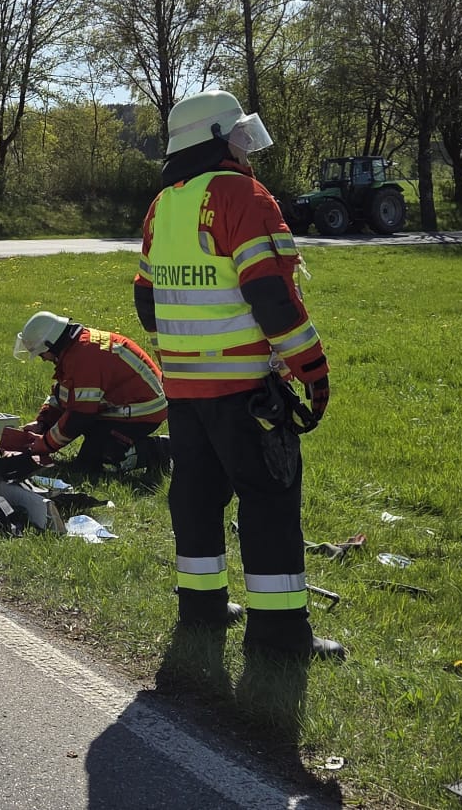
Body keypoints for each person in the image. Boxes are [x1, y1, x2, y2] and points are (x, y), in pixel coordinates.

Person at [135, 88, 342, 662]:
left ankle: (201, 609)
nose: (247, 148)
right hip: (247, 389)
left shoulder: (163, 205)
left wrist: (186, 351)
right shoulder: (243, 195)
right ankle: (280, 636)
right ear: (216, 139)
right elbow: (271, 295)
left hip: (183, 391)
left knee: (196, 498)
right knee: (269, 503)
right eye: (239, 136)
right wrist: (313, 370)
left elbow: (146, 300)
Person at [0, 311, 171, 472]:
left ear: (51, 344)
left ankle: (159, 449)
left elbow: (79, 416)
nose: (43, 359)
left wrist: (46, 444)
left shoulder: (83, 357)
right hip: (124, 404)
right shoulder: (74, 348)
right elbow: (64, 394)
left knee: (96, 463)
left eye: (41, 353)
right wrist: (43, 423)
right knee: (89, 449)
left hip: (143, 412)